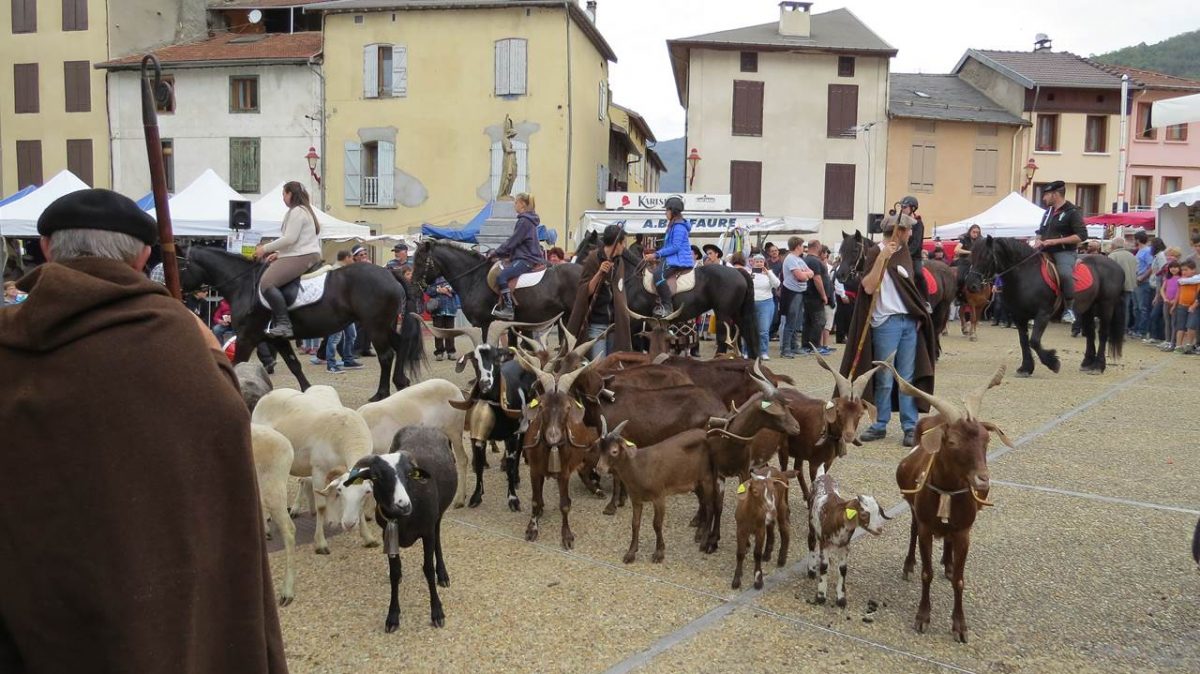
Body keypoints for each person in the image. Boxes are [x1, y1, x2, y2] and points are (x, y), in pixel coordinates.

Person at [0, 189, 287, 672]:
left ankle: (281, 314)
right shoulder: (181, 341)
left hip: (32, 608)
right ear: (144, 255)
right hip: (154, 606)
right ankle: (277, 318)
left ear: (46, 248)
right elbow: (227, 438)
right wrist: (212, 355)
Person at [842, 211, 937, 448]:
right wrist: (882, 258)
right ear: (900, 231)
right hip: (886, 323)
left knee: (907, 377)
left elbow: (909, 287)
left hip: (908, 322)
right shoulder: (875, 252)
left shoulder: (904, 252)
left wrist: (916, 313)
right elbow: (867, 287)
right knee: (884, 377)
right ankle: (880, 423)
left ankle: (909, 426)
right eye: (909, 229)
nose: (912, 233)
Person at [255, 181, 321, 338]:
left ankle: (284, 324)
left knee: (266, 283)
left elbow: (290, 238)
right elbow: (299, 240)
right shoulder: (304, 210)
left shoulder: (297, 211)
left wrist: (264, 249)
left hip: (303, 255)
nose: (283, 198)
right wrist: (278, 253)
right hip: (304, 253)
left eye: (284, 194)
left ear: (290, 194)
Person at [567, 224, 636, 359]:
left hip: (614, 325)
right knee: (598, 367)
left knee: (613, 365)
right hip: (597, 324)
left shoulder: (619, 262)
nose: (624, 247)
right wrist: (599, 273)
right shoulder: (594, 258)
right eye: (624, 243)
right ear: (617, 244)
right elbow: (585, 291)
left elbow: (619, 291)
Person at [1032, 180, 1086, 324]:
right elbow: (1041, 231)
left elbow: (1081, 236)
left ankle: (1069, 309)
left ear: (1055, 195)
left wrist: (1055, 241)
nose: (1044, 198)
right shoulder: (1047, 212)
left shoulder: (1072, 212)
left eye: (1046, 195)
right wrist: (1037, 240)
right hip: (1044, 250)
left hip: (1064, 253)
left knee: (1064, 274)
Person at [489, 192, 544, 320]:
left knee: (502, 276)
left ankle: (508, 308)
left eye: (516, 202)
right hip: (526, 256)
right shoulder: (528, 220)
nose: (515, 205)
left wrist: (496, 252)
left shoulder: (524, 221)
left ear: (523, 204)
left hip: (526, 259)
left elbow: (513, 241)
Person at [646, 196, 694, 318]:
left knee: (658, 275)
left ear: (673, 211)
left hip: (678, 260)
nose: (665, 213)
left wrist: (657, 254)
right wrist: (657, 254)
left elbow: (676, 247)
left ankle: (667, 307)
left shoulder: (678, 227)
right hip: (672, 258)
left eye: (667, 210)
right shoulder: (673, 225)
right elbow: (669, 246)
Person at [779, 236, 814, 358]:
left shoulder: (798, 259)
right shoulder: (791, 259)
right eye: (802, 246)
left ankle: (794, 346)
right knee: (790, 321)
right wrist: (807, 274)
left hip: (799, 293)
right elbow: (801, 276)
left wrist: (806, 274)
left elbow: (811, 272)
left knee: (797, 322)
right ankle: (786, 349)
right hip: (791, 293)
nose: (803, 248)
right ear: (797, 246)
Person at [801, 238, 833, 356]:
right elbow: (817, 279)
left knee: (809, 321)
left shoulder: (807, 260)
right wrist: (824, 295)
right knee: (819, 321)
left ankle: (807, 345)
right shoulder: (814, 261)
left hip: (809, 296)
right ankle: (815, 346)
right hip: (815, 296)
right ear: (817, 246)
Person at [898, 196, 930, 313]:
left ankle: (926, 301)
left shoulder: (918, 223)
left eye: (904, 207)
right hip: (900, 253)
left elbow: (916, 243)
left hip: (913, 256)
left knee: (918, 274)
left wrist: (906, 254)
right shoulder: (899, 221)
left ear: (912, 208)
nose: (902, 209)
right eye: (901, 207)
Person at [748, 252, 780, 360]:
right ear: (752, 262)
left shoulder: (769, 272)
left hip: (766, 302)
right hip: (751, 303)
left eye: (761, 261)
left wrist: (768, 274)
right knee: (750, 329)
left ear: (764, 262)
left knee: (764, 330)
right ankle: (747, 351)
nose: (759, 263)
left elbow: (777, 284)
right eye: (756, 261)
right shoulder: (749, 273)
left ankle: (763, 352)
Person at [429, 275, 460, 361]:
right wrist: (438, 290)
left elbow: (458, 288)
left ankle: (451, 351)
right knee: (438, 332)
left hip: (450, 309)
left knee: (450, 332)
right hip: (437, 309)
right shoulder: (433, 279)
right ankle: (439, 352)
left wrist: (448, 289)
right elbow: (428, 290)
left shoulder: (451, 275)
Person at [1173, 260, 1200, 353]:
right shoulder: (1182, 281)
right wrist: (1174, 305)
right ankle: (1178, 346)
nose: (1183, 272)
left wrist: (1194, 305)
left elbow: (1198, 295)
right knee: (1180, 326)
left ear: (1193, 270)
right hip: (1181, 306)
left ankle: (1189, 345)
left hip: (1193, 307)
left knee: (1191, 326)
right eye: (1182, 270)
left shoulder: (1197, 281)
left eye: (1186, 270)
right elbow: (1179, 293)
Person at [1160, 259, 1183, 351]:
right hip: (1166, 302)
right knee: (1167, 322)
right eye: (1171, 267)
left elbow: (1179, 291)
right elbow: (1162, 289)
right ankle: (1167, 340)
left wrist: (1174, 301)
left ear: (1179, 268)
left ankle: (1173, 342)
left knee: (1174, 323)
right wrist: (1165, 298)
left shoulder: (1181, 279)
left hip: (1176, 303)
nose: (1173, 269)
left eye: (1176, 267)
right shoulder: (1167, 278)